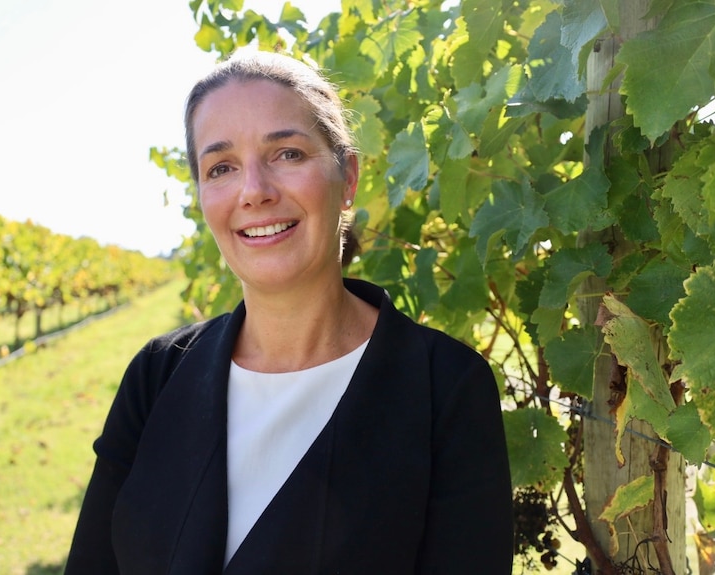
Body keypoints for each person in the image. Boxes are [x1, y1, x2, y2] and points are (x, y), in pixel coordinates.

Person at [63, 49, 513, 574]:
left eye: (288, 154)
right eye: (222, 167)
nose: (253, 192)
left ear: (347, 178)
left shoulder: (447, 390)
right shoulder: (157, 375)